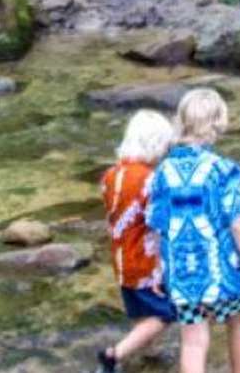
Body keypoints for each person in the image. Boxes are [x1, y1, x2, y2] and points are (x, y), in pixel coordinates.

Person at [148, 89, 240, 373]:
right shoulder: (223, 170)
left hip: (182, 270)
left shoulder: (162, 172)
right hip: (223, 269)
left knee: (193, 341)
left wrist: (158, 268)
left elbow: (157, 225)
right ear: (218, 122)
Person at [96, 110, 176, 373]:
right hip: (145, 263)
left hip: (121, 260)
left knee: (142, 315)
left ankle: (148, 358)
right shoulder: (151, 179)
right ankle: (114, 355)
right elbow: (160, 221)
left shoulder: (110, 175)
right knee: (166, 314)